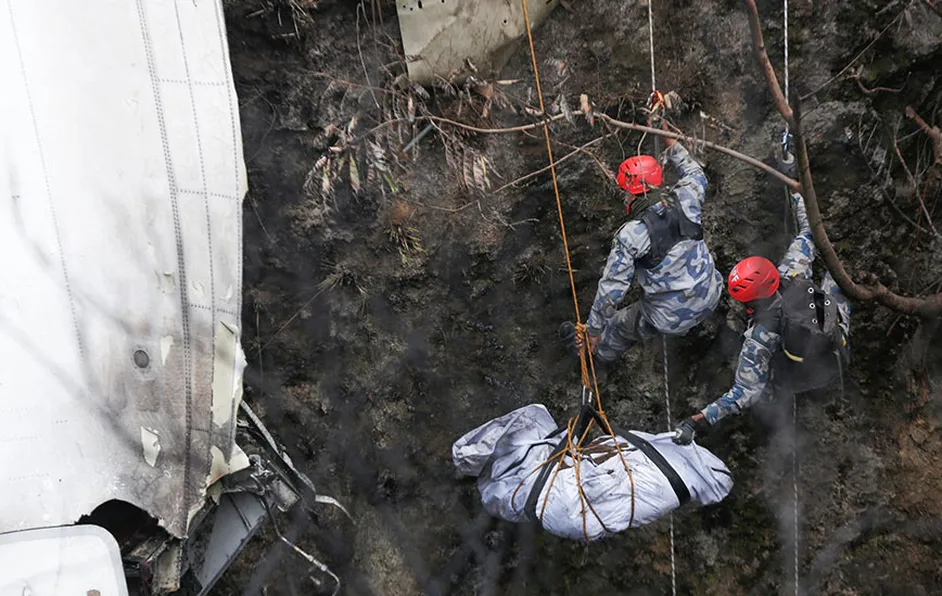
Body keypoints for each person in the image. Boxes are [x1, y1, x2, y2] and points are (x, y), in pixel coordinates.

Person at [673, 191, 851, 444]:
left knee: (763, 391)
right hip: (839, 341)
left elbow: (743, 392)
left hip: (812, 378)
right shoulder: (794, 270)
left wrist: (696, 420)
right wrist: (798, 194)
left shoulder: (760, 337)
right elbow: (809, 232)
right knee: (835, 281)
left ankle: (776, 425)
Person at [453, 404, 733, 541]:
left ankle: (473, 464)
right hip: (562, 513)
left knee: (534, 425)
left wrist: (576, 433)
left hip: (560, 502)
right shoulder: (661, 484)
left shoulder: (655, 475)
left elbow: (599, 469)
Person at [560, 133, 723, 364]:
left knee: (617, 326)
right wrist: (670, 140)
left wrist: (594, 331)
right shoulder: (688, 196)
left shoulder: (631, 236)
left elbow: (611, 292)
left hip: (670, 318)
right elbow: (695, 172)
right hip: (711, 294)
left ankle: (595, 356)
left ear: (629, 193)